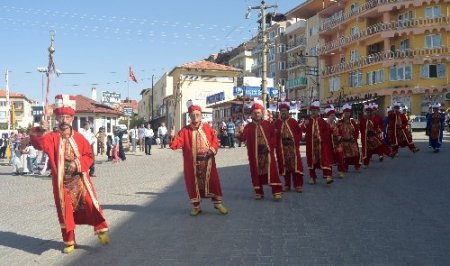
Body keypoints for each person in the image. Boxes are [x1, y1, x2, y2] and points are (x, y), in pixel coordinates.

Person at [30, 94, 109, 254]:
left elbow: (89, 156)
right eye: (61, 117)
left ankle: (101, 231)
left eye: (66, 117)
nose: (64, 120)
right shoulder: (51, 137)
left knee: (91, 205)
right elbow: (39, 144)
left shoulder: (80, 138)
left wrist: (76, 164)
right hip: (62, 184)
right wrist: (41, 129)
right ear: (57, 119)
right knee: (65, 212)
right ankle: (69, 241)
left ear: (72, 119)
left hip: (80, 181)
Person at [170, 100, 228, 216]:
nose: (195, 117)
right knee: (193, 183)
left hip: (208, 162)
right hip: (192, 164)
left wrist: (212, 150)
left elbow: (215, 141)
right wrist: (172, 137)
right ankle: (196, 206)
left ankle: (217, 203)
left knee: (213, 181)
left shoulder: (207, 128)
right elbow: (175, 145)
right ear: (189, 116)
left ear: (200, 115)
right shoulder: (185, 131)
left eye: (197, 115)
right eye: (192, 115)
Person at [238, 99, 283, 200]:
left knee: (272, 171)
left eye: (258, 112)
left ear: (262, 113)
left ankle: (276, 191)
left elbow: (273, 137)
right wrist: (240, 132)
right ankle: (259, 191)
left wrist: (269, 146)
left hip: (267, 153)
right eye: (254, 113)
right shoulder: (248, 127)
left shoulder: (268, 124)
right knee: (255, 172)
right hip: (254, 155)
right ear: (251, 115)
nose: (257, 114)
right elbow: (242, 138)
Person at [273, 100, 304, 192]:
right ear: (280, 113)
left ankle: (298, 185)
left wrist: (295, 141)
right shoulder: (276, 123)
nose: (283, 113)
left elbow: (299, 133)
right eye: (281, 111)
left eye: (285, 111)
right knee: (285, 167)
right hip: (282, 149)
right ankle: (287, 184)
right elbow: (273, 135)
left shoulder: (293, 121)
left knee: (295, 167)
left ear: (288, 112)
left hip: (293, 148)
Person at [301, 100, 334, 185]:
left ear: (318, 111)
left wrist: (322, 138)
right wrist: (305, 124)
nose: (313, 112)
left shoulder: (322, 121)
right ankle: (312, 177)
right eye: (312, 111)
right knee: (311, 161)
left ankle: (328, 176)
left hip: (320, 144)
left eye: (315, 111)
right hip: (311, 145)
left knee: (324, 160)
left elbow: (327, 131)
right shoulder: (308, 121)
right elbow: (302, 129)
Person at [337, 104, 361, 172]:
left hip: (351, 141)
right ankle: (345, 167)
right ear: (343, 113)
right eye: (345, 113)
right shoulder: (339, 122)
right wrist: (339, 138)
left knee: (356, 154)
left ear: (350, 113)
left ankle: (357, 167)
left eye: (348, 113)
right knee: (344, 156)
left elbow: (356, 130)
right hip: (343, 142)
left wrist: (355, 138)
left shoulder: (352, 121)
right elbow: (337, 131)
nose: (347, 114)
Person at [325, 105, 345, 178]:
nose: (333, 116)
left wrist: (340, 135)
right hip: (329, 144)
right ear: (328, 115)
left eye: (334, 115)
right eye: (331, 115)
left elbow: (340, 131)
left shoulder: (336, 123)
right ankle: (329, 174)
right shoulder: (325, 124)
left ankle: (341, 171)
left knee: (340, 157)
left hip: (337, 143)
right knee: (329, 159)